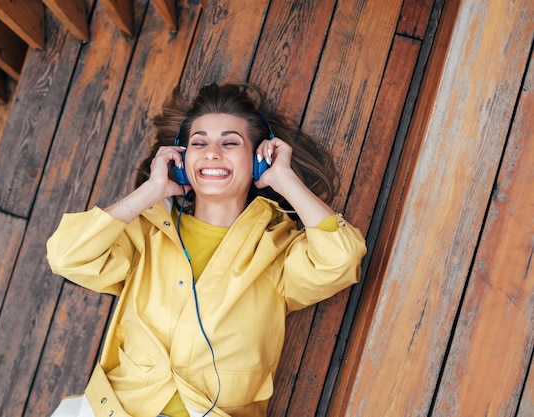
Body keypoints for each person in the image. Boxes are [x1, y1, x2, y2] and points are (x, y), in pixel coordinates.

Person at [46, 83, 366, 417]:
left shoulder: (278, 250)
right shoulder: (145, 234)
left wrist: (284, 178)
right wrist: (152, 190)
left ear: (258, 160)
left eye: (230, 142)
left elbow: (341, 259)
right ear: (182, 161)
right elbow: (67, 255)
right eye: (199, 143)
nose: (212, 152)